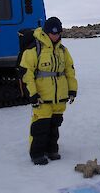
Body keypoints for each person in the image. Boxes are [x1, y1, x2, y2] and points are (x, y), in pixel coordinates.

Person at [19, 17, 78, 165]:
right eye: (53, 33)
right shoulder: (34, 49)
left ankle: (52, 149)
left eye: (58, 33)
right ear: (46, 32)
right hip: (42, 97)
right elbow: (27, 74)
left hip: (59, 97)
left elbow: (69, 71)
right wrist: (32, 94)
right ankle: (37, 153)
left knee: (55, 125)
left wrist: (72, 90)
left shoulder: (63, 51)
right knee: (41, 126)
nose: (56, 36)